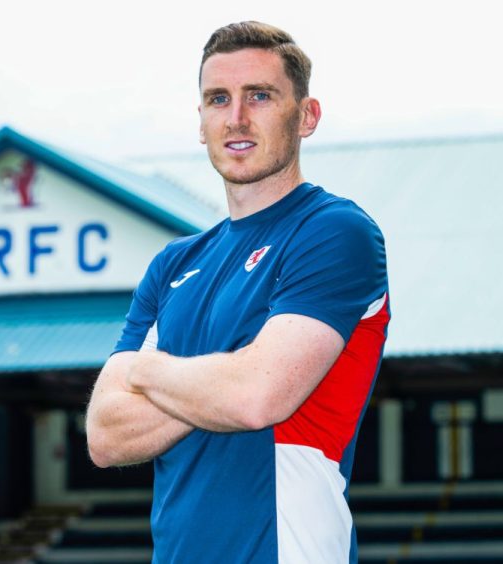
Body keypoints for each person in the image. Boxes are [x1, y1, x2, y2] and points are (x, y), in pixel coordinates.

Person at [85, 21, 389, 564]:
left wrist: (144, 373)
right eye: (217, 99)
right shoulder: (174, 264)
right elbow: (106, 436)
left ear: (307, 116)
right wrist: (231, 373)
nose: (236, 117)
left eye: (260, 96)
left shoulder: (334, 231)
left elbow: (257, 398)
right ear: (200, 123)